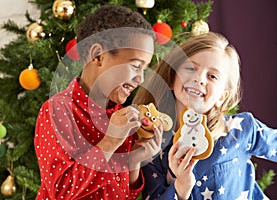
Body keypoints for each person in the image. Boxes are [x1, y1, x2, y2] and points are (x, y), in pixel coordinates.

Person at [34, 5, 162, 199]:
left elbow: (124, 194)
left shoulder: (122, 117)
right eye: (136, 65)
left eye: (145, 68)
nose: (141, 79)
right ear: (98, 56)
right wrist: (110, 141)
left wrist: (133, 161)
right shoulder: (58, 111)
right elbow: (60, 191)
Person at [133, 32, 277, 199]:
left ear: (221, 97)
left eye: (212, 76)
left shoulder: (241, 129)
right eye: (191, 68)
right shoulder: (151, 148)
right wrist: (180, 187)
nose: (199, 78)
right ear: (172, 79)